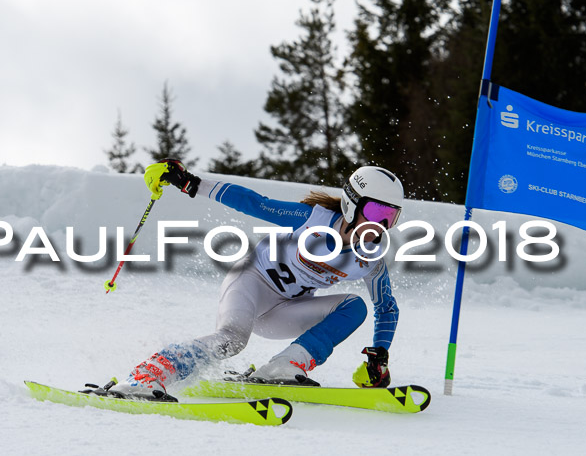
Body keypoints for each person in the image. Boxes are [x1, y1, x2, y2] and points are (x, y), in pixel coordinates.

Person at [109, 159, 403, 399]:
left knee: (355, 307)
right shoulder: (312, 219)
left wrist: (379, 355)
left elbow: (386, 307)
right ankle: (146, 375)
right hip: (251, 282)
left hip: (286, 311)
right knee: (232, 340)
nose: (381, 226)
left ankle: (285, 366)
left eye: (391, 217)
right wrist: (190, 182)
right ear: (352, 204)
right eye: (376, 211)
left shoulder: (371, 259)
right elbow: (254, 203)